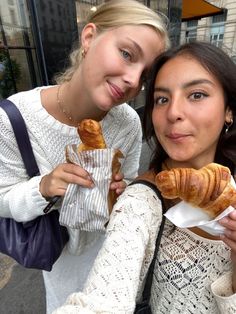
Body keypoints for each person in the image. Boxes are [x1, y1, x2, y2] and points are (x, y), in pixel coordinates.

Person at [0, 0, 170, 312]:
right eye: (126, 54)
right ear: (89, 37)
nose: (133, 80)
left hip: (115, 254)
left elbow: (129, 186)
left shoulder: (127, 123)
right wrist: (44, 186)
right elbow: (3, 200)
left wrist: (120, 193)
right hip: (58, 259)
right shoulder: (13, 119)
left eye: (145, 75)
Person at [53, 41, 236, 313]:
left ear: (229, 110)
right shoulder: (142, 201)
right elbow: (100, 302)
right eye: (162, 99)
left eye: (196, 95)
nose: (172, 113)